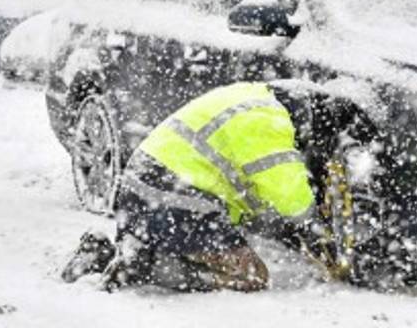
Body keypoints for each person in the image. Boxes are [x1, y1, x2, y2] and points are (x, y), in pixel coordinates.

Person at [61, 80, 366, 292]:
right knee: (251, 275)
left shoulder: (252, 96)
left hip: (143, 189)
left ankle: (106, 252)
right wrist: (321, 232)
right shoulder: (268, 123)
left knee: (175, 242)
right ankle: (141, 269)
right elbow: (290, 198)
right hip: (175, 197)